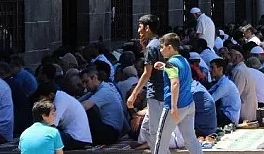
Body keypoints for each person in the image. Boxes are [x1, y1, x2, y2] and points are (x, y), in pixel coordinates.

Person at [149, 33, 202, 154]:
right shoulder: (183, 60)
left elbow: (175, 83)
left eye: (162, 47)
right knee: (191, 140)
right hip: (188, 105)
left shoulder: (171, 63)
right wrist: (164, 67)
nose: (161, 50)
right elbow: (176, 72)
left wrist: (173, 107)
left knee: (161, 140)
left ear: (170, 47)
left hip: (175, 107)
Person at [127, 14, 164, 153]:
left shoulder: (152, 46)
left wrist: (134, 95)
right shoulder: (159, 43)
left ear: (147, 28)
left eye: (140, 26)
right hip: (163, 92)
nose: (138, 30)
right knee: (154, 130)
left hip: (156, 93)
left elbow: (147, 73)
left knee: (155, 132)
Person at [33, 82, 92, 150]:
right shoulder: (60, 97)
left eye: (42, 100)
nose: (41, 103)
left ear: (51, 95)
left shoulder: (60, 100)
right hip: (73, 136)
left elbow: (50, 126)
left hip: (77, 139)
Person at [79, 66, 124, 144]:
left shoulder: (105, 90)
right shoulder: (97, 90)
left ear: (94, 78)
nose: (84, 86)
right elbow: (77, 102)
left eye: (86, 82)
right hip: (110, 131)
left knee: (87, 110)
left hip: (110, 133)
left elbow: (84, 107)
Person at [208, 58, 241, 126]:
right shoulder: (221, 82)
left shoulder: (225, 84)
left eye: (212, 67)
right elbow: (208, 92)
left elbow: (210, 100)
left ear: (220, 69)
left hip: (229, 118)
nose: (210, 70)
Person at [228, 49, 258, 122]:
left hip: (245, 110)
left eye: (231, 55)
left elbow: (236, 93)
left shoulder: (239, 70)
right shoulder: (241, 68)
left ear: (238, 57)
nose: (228, 57)